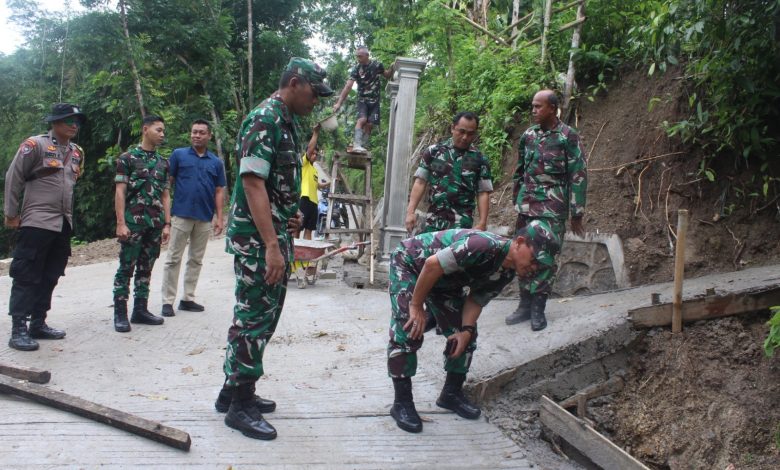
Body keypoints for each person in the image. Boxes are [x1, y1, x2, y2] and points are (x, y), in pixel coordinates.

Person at [216, 57, 333, 441]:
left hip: (273, 234)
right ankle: (240, 406)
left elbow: (272, 184)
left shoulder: (287, 122)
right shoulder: (265, 119)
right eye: (314, 92)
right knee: (254, 318)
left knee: (260, 316)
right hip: (256, 241)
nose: (316, 100)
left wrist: (288, 216)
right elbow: (252, 183)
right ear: (295, 83)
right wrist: (270, 245)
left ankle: (232, 390)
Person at [387, 221, 561, 433]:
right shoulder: (481, 245)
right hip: (411, 264)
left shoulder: (506, 272)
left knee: (466, 334)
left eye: (539, 266)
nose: (534, 268)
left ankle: (451, 394)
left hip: (444, 282)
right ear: (519, 242)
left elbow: (476, 300)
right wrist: (416, 306)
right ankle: (402, 403)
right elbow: (432, 264)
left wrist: (466, 331)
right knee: (409, 327)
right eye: (534, 260)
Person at [3, 103, 86, 351]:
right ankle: (19, 329)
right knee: (26, 275)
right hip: (36, 221)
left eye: (77, 121)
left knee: (51, 275)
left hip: (62, 223)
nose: (74, 125)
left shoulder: (76, 152)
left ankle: (38, 323)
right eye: (69, 120)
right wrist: (11, 213)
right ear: (55, 122)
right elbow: (14, 177)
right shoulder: (35, 145)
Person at [505, 90, 587, 331]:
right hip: (527, 206)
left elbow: (578, 174)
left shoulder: (567, 136)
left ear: (552, 108)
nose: (534, 111)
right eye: (533, 106)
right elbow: (520, 170)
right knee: (522, 253)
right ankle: (524, 305)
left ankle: (538, 308)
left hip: (552, 207)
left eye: (538, 106)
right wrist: (516, 199)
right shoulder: (528, 135)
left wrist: (577, 212)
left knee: (545, 257)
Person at [160, 119, 226, 317]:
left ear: (209, 136)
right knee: (173, 258)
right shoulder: (178, 155)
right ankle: (167, 301)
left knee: (196, 260)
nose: (197, 135)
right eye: (194, 132)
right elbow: (167, 184)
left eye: (201, 132)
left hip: (204, 217)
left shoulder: (216, 162)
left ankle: (188, 298)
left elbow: (219, 191)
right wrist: (166, 217)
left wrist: (219, 218)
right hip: (181, 214)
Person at [112, 114, 171, 333]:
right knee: (126, 267)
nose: (162, 134)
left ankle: (140, 310)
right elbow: (120, 191)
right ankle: (120, 313)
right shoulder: (127, 158)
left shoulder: (163, 162)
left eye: (163, 130)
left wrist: (167, 224)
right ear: (145, 129)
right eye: (158, 130)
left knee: (146, 268)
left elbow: (165, 195)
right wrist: (120, 223)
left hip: (155, 223)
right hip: (133, 223)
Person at [405, 111, 493, 235]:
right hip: (433, 221)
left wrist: (482, 222)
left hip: (461, 224)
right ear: (452, 128)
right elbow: (420, 182)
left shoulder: (480, 160)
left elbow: (483, 192)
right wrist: (410, 212)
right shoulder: (434, 152)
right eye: (461, 131)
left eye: (470, 134)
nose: (465, 137)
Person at [332, 45, 393, 153]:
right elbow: (348, 86)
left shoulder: (377, 65)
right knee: (362, 120)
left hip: (375, 101)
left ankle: (362, 146)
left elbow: (387, 75)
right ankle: (357, 144)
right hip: (362, 100)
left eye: (360, 56)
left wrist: (392, 67)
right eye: (357, 56)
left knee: (370, 124)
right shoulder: (356, 69)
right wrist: (338, 103)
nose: (358, 59)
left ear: (367, 55)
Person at [299, 124, 329, 240]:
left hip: (314, 202)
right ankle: (294, 252)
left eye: (316, 154)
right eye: (313, 153)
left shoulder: (315, 170)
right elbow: (309, 149)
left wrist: (330, 183)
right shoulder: (304, 163)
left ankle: (306, 252)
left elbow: (318, 186)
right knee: (297, 228)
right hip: (304, 199)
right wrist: (315, 133)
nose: (315, 156)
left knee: (309, 230)